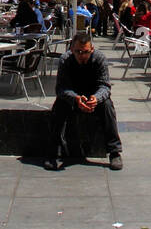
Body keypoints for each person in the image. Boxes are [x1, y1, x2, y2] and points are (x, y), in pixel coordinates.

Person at [44, 32, 122, 172]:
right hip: (72, 97)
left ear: (91, 49)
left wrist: (96, 98)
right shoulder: (65, 60)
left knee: (108, 106)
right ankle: (52, 152)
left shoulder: (100, 59)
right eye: (78, 52)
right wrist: (75, 98)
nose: (82, 55)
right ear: (72, 50)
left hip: (93, 96)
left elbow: (105, 86)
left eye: (85, 52)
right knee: (59, 107)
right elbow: (61, 88)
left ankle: (114, 151)